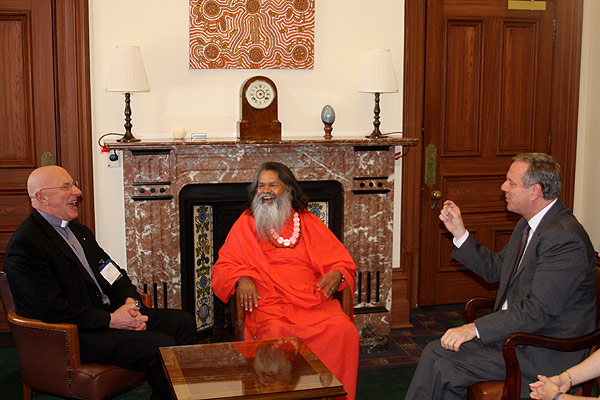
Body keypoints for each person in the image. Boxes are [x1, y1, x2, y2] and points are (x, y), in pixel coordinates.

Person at [405, 153, 596, 400]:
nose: (503, 187)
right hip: (517, 335)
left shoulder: (564, 238)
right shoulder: (529, 225)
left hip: (543, 348)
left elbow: (537, 310)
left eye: (511, 183)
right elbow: (496, 269)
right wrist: (460, 234)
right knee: (434, 350)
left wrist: (474, 328)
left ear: (534, 191)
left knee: (449, 368)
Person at [3, 165, 197, 400]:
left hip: (107, 315)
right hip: (75, 333)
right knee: (159, 344)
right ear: (42, 197)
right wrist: (112, 320)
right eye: (67, 187)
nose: (78, 191)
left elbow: (113, 273)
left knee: (184, 323)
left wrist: (130, 302)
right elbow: (49, 308)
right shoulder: (26, 244)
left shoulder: (79, 231)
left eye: (73, 184)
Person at [212, 161, 359, 400]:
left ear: (288, 189)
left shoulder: (308, 221)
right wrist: (241, 278)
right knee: (276, 334)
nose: (265, 191)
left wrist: (338, 273)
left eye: (273, 185)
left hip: (313, 300)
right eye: (261, 186)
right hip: (271, 304)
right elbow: (224, 266)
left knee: (343, 331)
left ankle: (331, 395)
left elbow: (341, 261)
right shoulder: (247, 222)